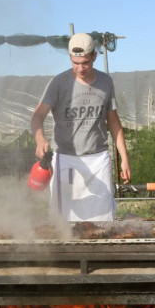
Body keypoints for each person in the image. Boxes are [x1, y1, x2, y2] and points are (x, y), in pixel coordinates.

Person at [31, 32, 131, 221]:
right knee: (64, 220)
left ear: (94, 56)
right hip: (65, 159)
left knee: (102, 220)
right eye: (75, 63)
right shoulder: (58, 83)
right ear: (70, 57)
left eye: (85, 62)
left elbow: (114, 122)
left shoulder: (105, 82)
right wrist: (40, 139)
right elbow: (37, 116)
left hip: (98, 159)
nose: (80, 68)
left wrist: (124, 158)